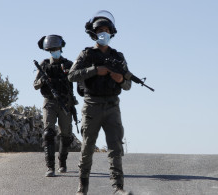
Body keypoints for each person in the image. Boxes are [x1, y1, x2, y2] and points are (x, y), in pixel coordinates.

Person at [68, 10, 133, 195]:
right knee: (87, 147)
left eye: (106, 29)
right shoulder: (86, 54)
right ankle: (82, 187)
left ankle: (118, 188)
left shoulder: (118, 57)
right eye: (100, 30)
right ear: (94, 33)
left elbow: (127, 85)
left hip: (112, 106)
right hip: (92, 106)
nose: (103, 33)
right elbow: (72, 75)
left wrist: (119, 79)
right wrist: (96, 70)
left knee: (115, 148)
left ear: (111, 32)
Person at [34, 35, 77, 177]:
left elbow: (78, 78)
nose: (55, 51)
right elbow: (35, 85)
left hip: (65, 102)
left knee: (66, 135)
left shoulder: (69, 64)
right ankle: (50, 166)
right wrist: (43, 79)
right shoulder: (44, 64)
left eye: (57, 49)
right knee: (48, 133)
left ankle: (62, 162)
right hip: (50, 102)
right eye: (52, 49)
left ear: (61, 48)